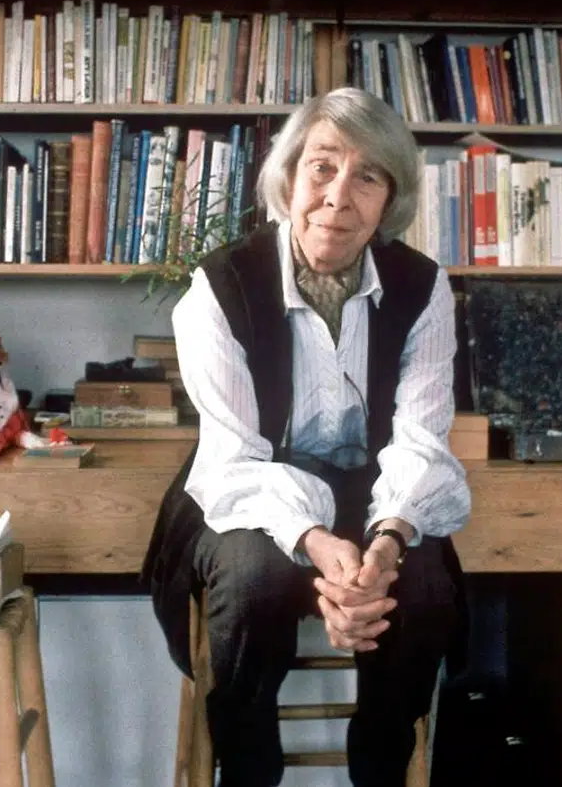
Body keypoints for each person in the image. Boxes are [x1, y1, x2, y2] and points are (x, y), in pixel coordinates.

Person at [143, 86, 472, 787]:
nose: (338, 196)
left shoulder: (423, 289)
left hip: (375, 494)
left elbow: (420, 438)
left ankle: (380, 762)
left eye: (368, 176)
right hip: (248, 492)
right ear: (290, 177)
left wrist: (384, 548)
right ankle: (249, 766)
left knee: (421, 590)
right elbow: (233, 458)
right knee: (254, 581)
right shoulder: (219, 288)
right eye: (322, 167)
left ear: (390, 200)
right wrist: (318, 545)